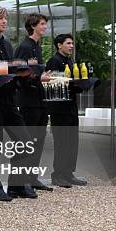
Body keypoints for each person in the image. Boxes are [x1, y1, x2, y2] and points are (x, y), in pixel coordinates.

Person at [0, 6, 36, 200]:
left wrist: (22, 72)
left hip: (9, 99)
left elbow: (10, 70)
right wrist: (11, 67)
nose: (4, 21)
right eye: (0, 19)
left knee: (25, 141)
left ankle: (16, 185)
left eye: (5, 19)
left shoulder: (8, 44)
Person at [15, 13, 53, 191]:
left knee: (38, 140)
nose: (45, 27)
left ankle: (32, 177)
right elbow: (20, 75)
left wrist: (41, 78)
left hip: (40, 100)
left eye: (45, 24)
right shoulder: (24, 47)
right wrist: (40, 78)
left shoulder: (37, 47)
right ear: (33, 26)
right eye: (42, 24)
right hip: (28, 101)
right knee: (27, 141)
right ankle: (21, 180)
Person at [45, 34, 88, 187]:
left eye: (72, 43)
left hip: (71, 107)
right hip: (59, 109)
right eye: (68, 43)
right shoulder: (54, 61)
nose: (71, 46)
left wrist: (81, 86)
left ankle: (68, 173)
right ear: (59, 45)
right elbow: (54, 86)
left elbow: (71, 85)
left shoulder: (70, 61)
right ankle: (57, 175)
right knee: (62, 142)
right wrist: (73, 85)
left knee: (72, 142)